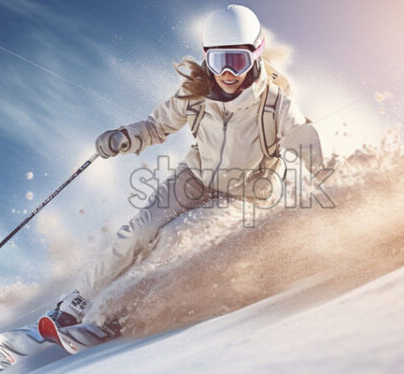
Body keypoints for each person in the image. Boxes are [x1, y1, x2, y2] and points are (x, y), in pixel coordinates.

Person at [48, 4, 324, 332]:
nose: (228, 74)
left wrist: (332, 184)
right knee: (139, 231)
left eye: (237, 61)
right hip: (194, 177)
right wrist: (124, 137)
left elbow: (307, 147)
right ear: (207, 57)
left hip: (245, 193)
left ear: (256, 56)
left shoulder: (278, 105)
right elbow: (156, 125)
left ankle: (124, 309)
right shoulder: (194, 93)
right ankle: (79, 299)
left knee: (177, 238)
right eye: (219, 61)